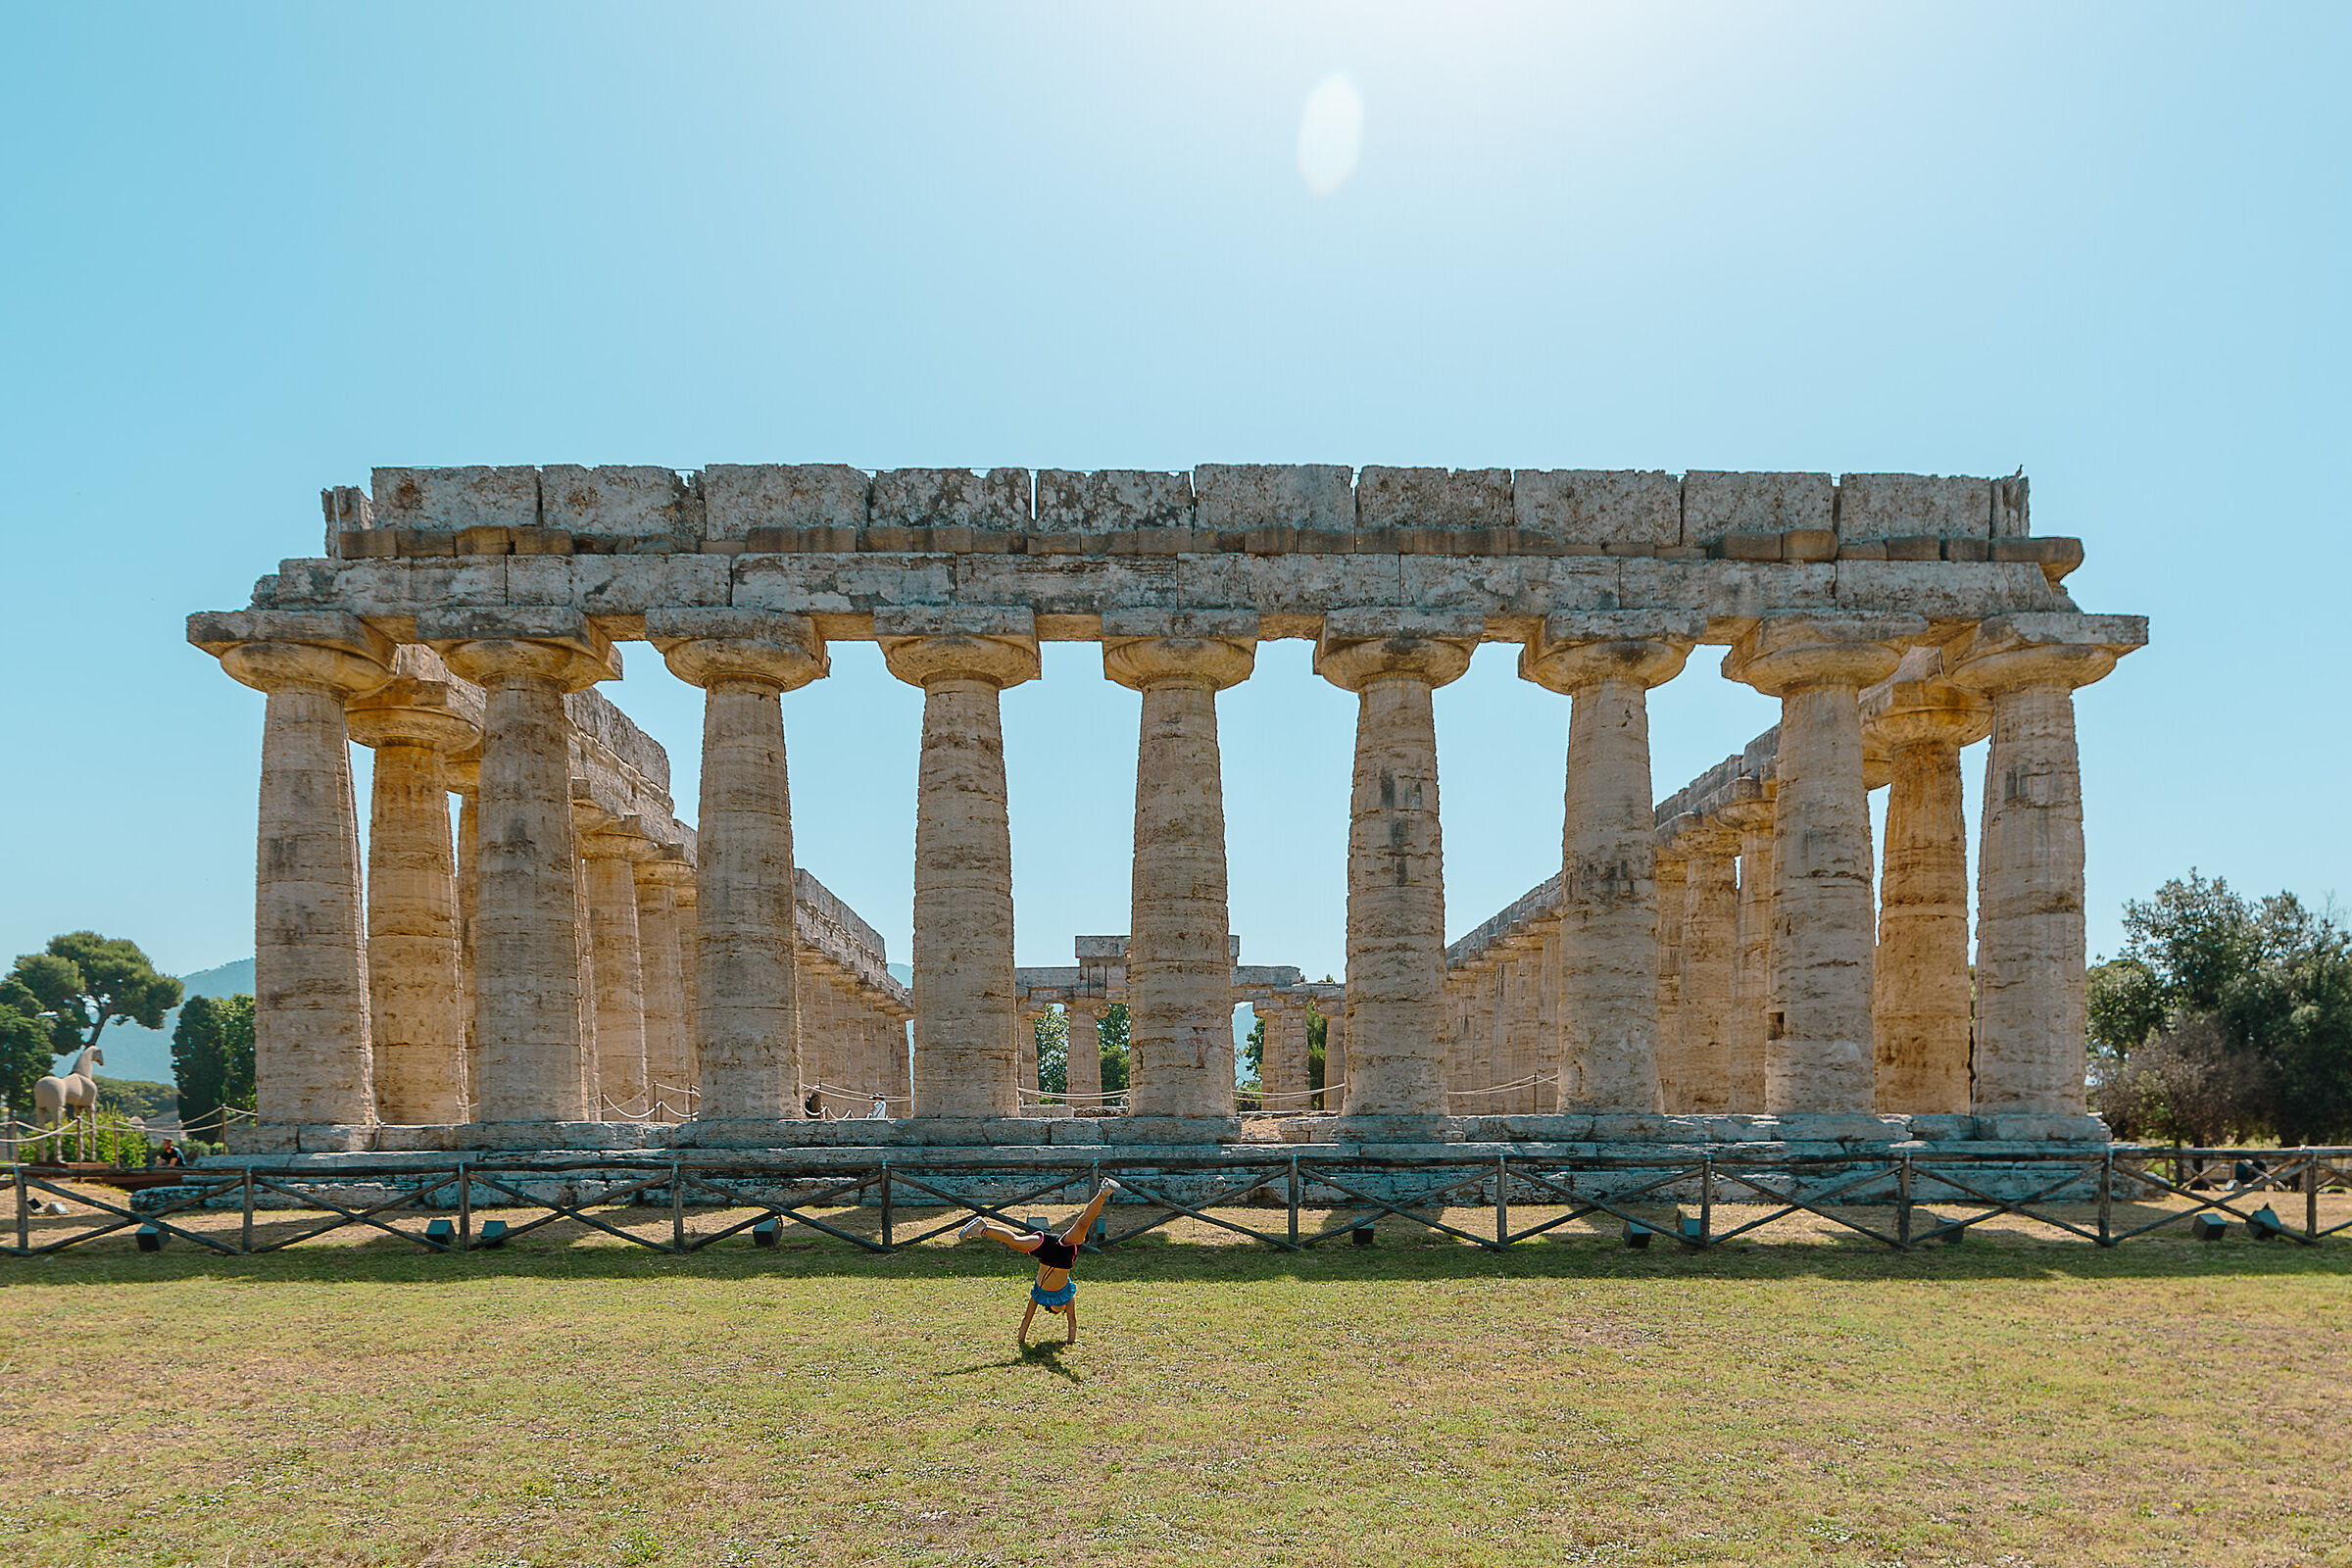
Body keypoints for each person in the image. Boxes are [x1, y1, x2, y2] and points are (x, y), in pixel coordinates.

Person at [960, 1179, 1120, 1349]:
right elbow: (1072, 1321)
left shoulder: (1038, 1296)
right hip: (1064, 1256)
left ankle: (982, 1229)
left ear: (1051, 1307)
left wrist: (1021, 1342)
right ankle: (1104, 1192)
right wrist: (1071, 1341)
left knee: (1016, 1242)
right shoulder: (1068, 1296)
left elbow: (1027, 1318)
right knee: (1083, 1223)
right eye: (1063, 1309)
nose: (1063, 1308)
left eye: (1060, 1309)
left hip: (1046, 1252)